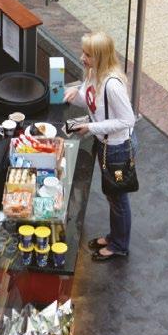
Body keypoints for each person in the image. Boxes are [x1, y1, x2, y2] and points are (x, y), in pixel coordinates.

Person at [64, 32, 137, 261]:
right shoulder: (94, 73)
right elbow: (92, 102)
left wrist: (91, 128)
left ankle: (119, 245)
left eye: (88, 54)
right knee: (112, 196)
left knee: (118, 198)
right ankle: (114, 236)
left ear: (101, 57)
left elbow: (128, 120)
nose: (82, 57)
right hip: (105, 142)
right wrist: (74, 95)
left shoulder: (113, 85)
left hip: (117, 147)